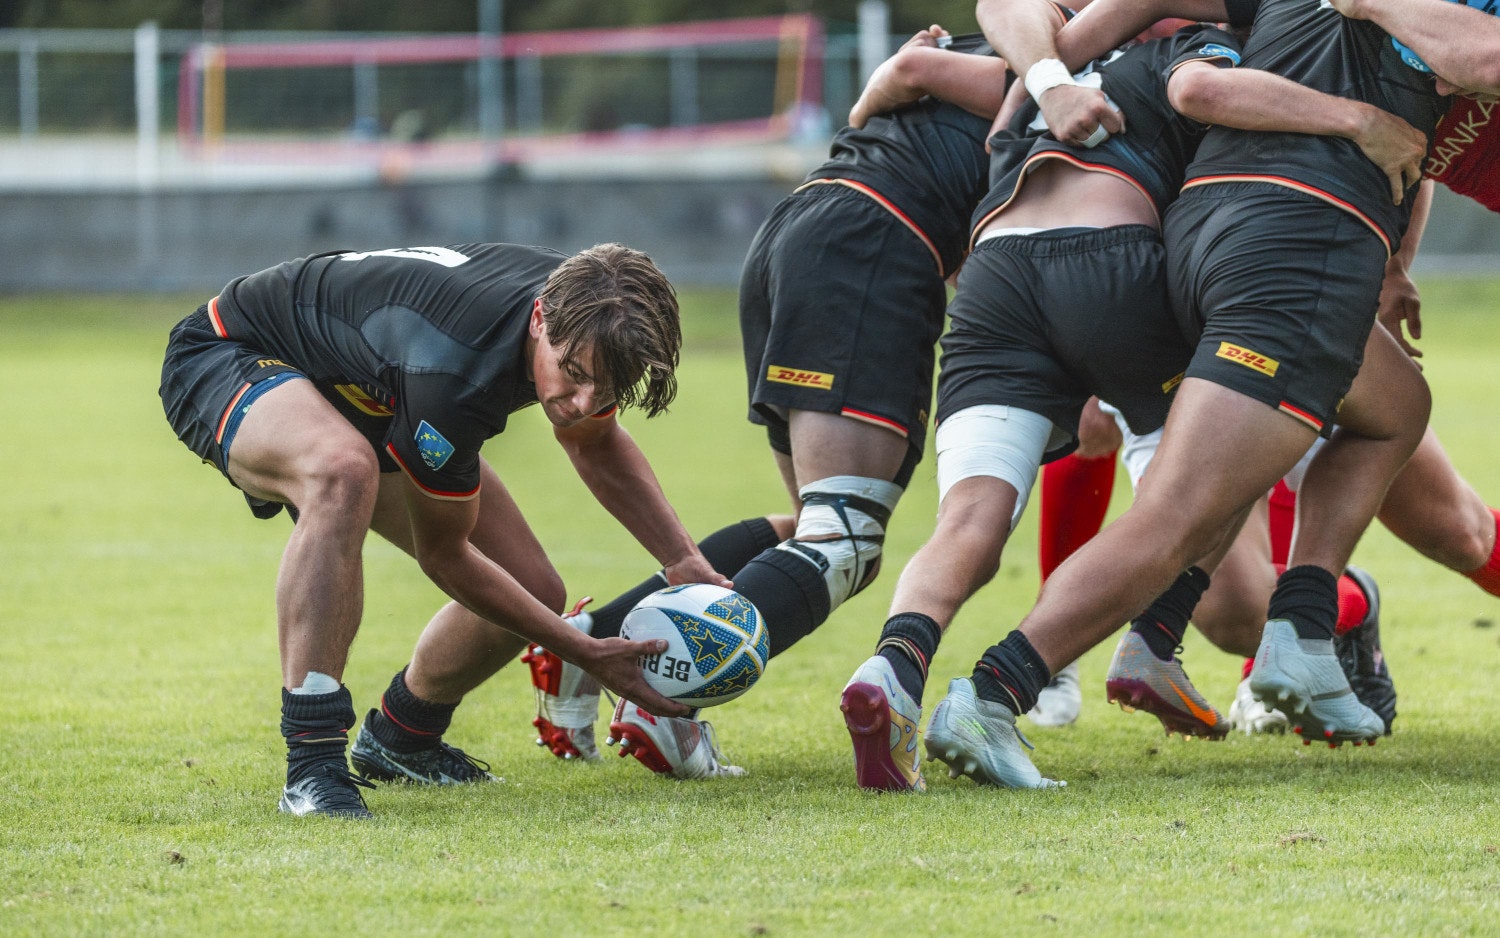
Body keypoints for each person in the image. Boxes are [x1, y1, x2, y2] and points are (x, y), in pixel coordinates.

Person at [840, 0, 1428, 789]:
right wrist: (1359, 120)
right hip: (1115, 261)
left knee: (973, 519)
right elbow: (1200, 91)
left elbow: (927, 60)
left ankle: (894, 662)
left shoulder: (1037, 66)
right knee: (1189, 501)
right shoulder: (1191, 50)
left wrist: (1032, 81)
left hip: (991, 279)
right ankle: (1050, 671)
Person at [519, 22, 1030, 780]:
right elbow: (916, 82)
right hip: (873, 246)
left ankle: (591, 644)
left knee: (810, 530)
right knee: (844, 539)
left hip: (806, 230)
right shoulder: (1048, 60)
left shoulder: (987, 46)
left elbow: (888, 96)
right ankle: (662, 700)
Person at [159, 241, 725, 818]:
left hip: (369, 388)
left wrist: (684, 560)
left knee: (532, 586)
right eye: (573, 376)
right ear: (538, 318)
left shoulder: (592, 307)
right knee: (341, 470)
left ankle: (404, 738)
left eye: (602, 391)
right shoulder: (455, 368)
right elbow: (445, 556)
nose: (581, 402)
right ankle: (312, 766)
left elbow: (595, 441)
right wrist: (580, 650)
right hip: (228, 352)